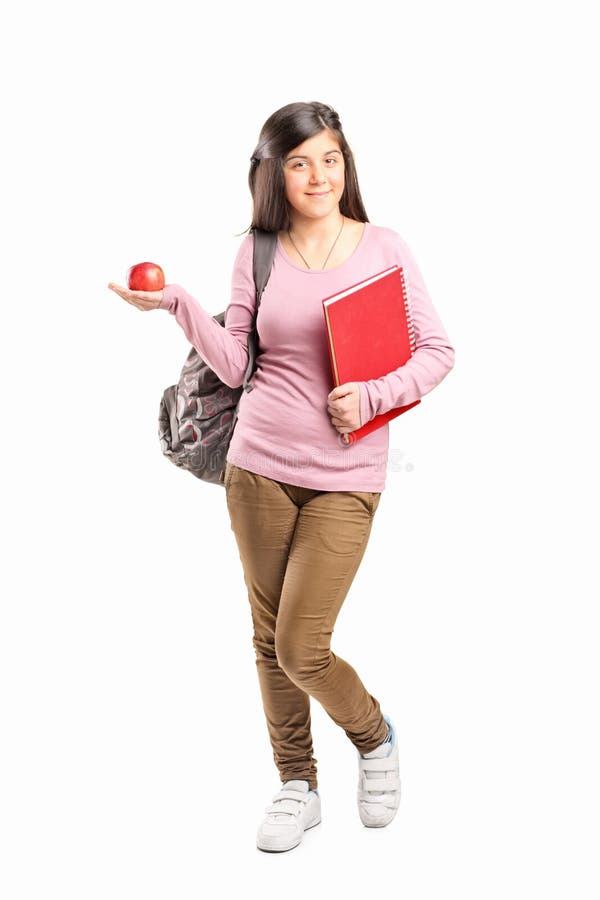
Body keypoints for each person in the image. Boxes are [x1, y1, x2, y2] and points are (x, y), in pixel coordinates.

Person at [108, 100, 455, 853]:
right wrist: (176, 302)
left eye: (330, 159)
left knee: (303, 646)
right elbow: (236, 365)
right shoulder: (258, 251)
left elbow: (436, 352)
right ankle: (298, 783)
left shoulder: (385, 247)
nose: (319, 176)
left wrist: (373, 396)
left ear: (346, 164)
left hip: (347, 476)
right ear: (275, 173)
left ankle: (374, 736)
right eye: (300, 163)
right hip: (256, 468)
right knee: (269, 641)